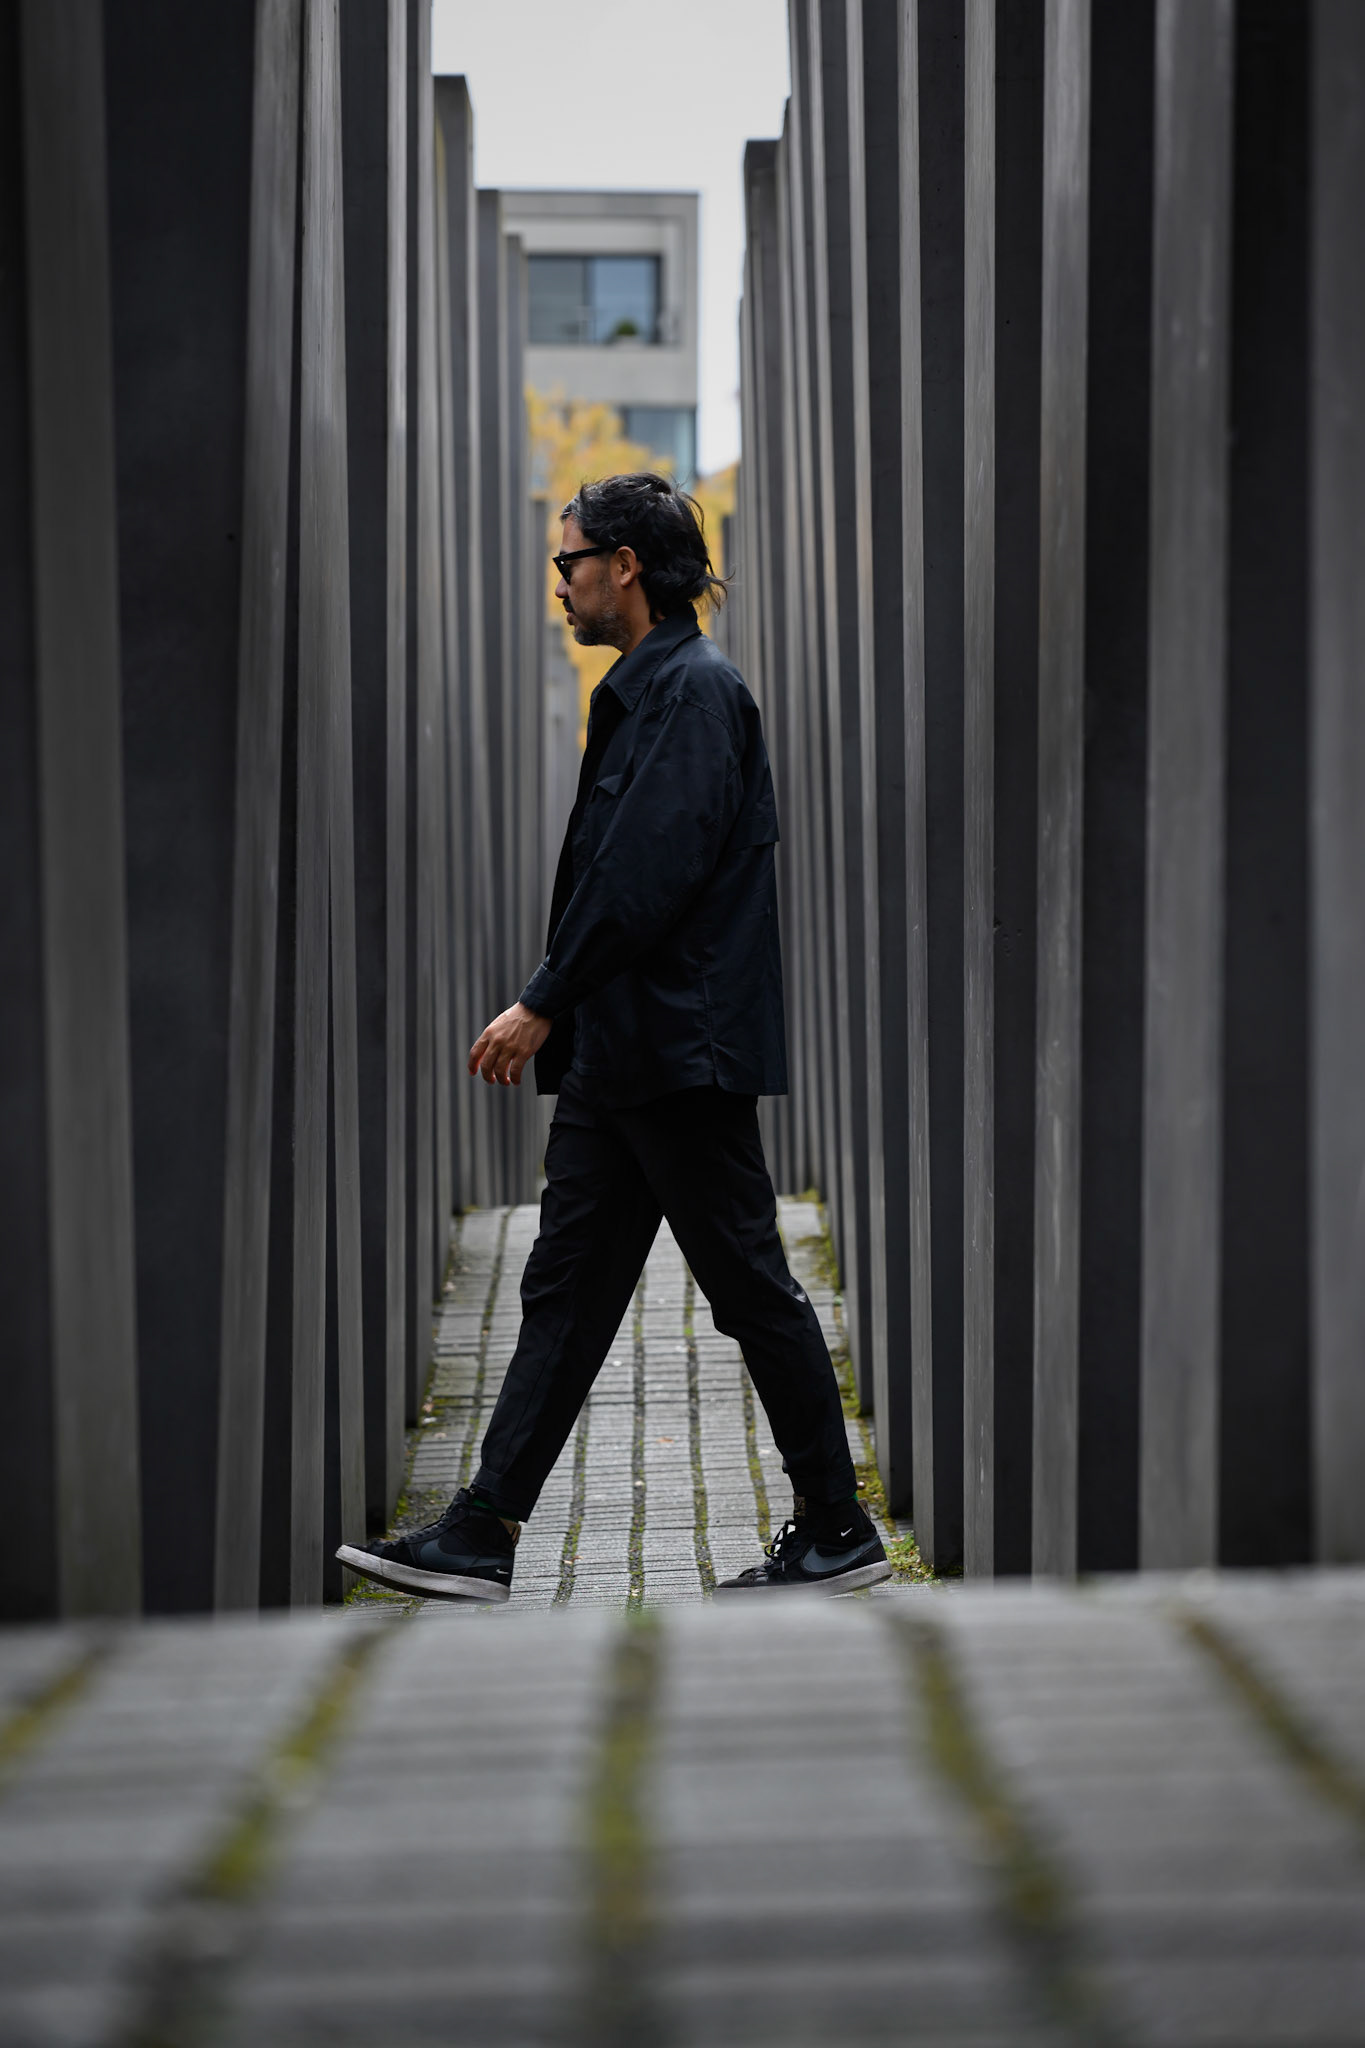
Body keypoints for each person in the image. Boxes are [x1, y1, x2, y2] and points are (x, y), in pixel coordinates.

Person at [337, 474, 889, 1603]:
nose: (563, 583)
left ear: (626, 565)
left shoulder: (693, 692)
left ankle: (837, 1528)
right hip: (624, 1055)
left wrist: (542, 995)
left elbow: (643, 872)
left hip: (676, 1050)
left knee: (748, 1286)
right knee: (566, 1287)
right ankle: (484, 1530)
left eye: (570, 560)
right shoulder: (650, 690)